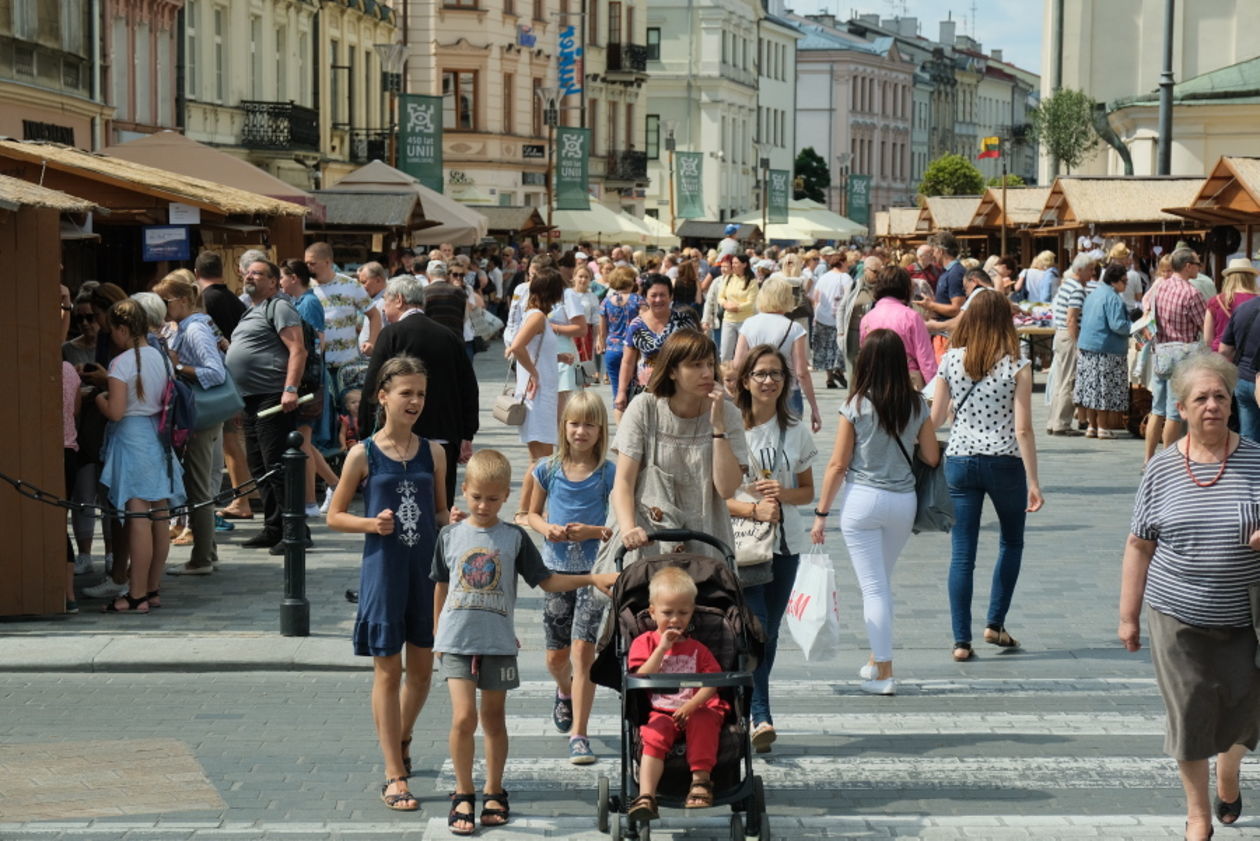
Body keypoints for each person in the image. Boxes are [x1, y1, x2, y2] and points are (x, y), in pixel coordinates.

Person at [432, 449, 617, 835]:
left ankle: (494, 789)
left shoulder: (514, 537)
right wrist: (437, 634)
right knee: (464, 717)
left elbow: (547, 580)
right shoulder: (449, 534)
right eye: (477, 496)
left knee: (493, 719)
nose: (484, 505)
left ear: (505, 498)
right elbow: (442, 585)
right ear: (464, 491)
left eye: (494, 498)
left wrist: (590, 579)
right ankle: (463, 792)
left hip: (498, 643)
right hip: (456, 642)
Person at [1119, 353, 1260, 841]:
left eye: (1221, 396)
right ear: (1181, 407)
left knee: (1248, 710)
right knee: (1190, 710)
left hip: (1246, 618)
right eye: (1201, 398)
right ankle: (1198, 813)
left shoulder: (1257, 460)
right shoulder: (1161, 469)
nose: (1213, 406)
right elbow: (1138, 545)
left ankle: (1230, 768)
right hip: (1175, 614)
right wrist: (1128, 617)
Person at [328, 355, 448, 813]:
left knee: (421, 671)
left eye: (420, 393)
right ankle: (394, 773)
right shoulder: (363, 453)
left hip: (426, 571)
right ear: (383, 396)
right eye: (406, 393)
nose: (415, 401)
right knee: (388, 671)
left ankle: (400, 736)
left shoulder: (433, 452)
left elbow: (438, 512)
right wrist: (369, 524)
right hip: (382, 569)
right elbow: (334, 515)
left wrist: (452, 518)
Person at [813, 329, 939, 694]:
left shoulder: (856, 404)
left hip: (862, 501)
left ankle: (884, 671)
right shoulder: (917, 404)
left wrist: (821, 514)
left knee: (874, 587)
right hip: (903, 502)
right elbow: (931, 457)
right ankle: (875, 660)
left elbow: (838, 464)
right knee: (880, 583)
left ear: (865, 362)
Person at [931, 292, 1044, 662]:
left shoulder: (949, 360)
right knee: (1011, 542)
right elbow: (1023, 428)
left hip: (960, 459)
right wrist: (1033, 480)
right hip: (1004, 460)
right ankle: (995, 623)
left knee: (962, 554)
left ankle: (960, 641)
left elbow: (934, 420)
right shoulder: (1017, 365)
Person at [601, 329, 747, 571]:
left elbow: (727, 488)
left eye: (710, 364)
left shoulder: (728, 413)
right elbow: (623, 483)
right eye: (695, 365)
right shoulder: (645, 409)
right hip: (649, 539)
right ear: (672, 371)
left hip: (706, 539)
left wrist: (718, 427)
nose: (707, 373)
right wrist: (628, 530)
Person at [729, 345, 816, 748]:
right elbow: (714, 493)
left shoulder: (795, 429)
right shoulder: (730, 427)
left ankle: (745, 707)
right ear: (746, 380)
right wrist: (752, 509)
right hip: (743, 542)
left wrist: (783, 493)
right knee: (756, 626)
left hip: (786, 542)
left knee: (772, 631)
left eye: (777, 374)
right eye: (761, 374)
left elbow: (807, 492)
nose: (769, 381)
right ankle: (759, 715)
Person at [525, 391, 616, 765]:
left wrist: (593, 532)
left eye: (589, 424)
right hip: (557, 573)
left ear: (600, 430)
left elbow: (618, 525)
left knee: (583, 652)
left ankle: (580, 733)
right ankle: (564, 692)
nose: (581, 431)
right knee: (554, 657)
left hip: (595, 574)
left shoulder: (608, 473)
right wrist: (547, 528)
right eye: (574, 423)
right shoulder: (547, 468)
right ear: (563, 427)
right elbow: (529, 514)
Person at [94, 300, 185, 613]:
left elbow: (117, 412)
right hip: (157, 437)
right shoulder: (161, 357)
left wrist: (99, 399)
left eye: (113, 331)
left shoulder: (121, 364)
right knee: (159, 515)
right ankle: (152, 587)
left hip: (132, 439)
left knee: (137, 518)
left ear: (122, 329)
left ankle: (136, 594)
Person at [359, 275, 478, 512]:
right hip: (444, 436)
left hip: (400, 440)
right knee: (439, 508)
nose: (384, 308)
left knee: (401, 509)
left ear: (399, 300)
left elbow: (373, 387)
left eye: (386, 301)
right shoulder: (449, 336)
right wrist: (467, 433)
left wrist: (364, 432)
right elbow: (469, 386)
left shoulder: (391, 334)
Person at [625, 566, 729, 821]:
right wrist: (662, 649)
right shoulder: (645, 643)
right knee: (652, 735)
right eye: (667, 613)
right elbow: (639, 676)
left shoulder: (698, 649)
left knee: (704, 721)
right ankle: (646, 795)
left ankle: (701, 782)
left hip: (698, 707)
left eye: (682, 613)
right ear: (652, 612)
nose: (675, 619)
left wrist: (692, 706)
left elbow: (712, 683)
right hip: (661, 711)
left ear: (692, 611)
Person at [224, 259, 309, 552]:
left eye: (257, 273)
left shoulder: (280, 307)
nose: (250, 276)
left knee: (276, 465)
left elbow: (298, 349)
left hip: (273, 396)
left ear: (273, 282)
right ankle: (274, 528)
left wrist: (290, 389)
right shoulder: (251, 310)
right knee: (259, 465)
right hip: (250, 399)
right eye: (247, 272)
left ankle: (295, 532)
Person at [153, 274, 228, 576]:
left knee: (198, 489)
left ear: (183, 300)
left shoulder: (195, 328)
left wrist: (177, 365)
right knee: (198, 488)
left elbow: (215, 372)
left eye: (166, 301)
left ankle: (201, 559)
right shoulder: (188, 326)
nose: (163, 307)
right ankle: (207, 552)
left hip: (201, 414)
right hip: (200, 414)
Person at [506, 267, 564, 518]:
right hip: (538, 395)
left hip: (539, 393)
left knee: (540, 458)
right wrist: (535, 373)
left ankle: (528, 511)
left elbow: (526, 347)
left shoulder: (537, 316)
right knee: (542, 459)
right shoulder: (537, 317)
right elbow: (516, 347)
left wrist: (556, 356)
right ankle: (528, 511)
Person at [732, 277, 822, 432]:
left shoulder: (749, 324)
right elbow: (801, 372)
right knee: (788, 446)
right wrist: (814, 408)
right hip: (787, 392)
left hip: (756, 389)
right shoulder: (794, 328)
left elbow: (738, 364)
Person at [1146, 248, 1209, 465]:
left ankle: (1148, 460)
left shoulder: (1158, 287)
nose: (1199, 267)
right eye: (1197, 263)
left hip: (1161, 351)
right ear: (1188, 266)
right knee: (1174, 412)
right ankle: (1167, 462)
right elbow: (1204, 326)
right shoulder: (1192, 293)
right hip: (1183, 354)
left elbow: (1146, 313)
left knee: (1157, 409)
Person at [614, 274, 699, 414]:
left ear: (671, 296)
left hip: (679, 391)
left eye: (663, 295)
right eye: (653, 295)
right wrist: (621, 392)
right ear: (646, 297)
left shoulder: (684, 321)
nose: (658, 299)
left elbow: (697, 354)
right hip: (646, 392)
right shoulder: (636, 325)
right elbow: (627, 362)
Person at [304, 242, 378, 389]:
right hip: (315, 365)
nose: (308, 268)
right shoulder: (305, 287)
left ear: (327, 262)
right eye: (306, 263)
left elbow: (374, 314)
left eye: (312, 263)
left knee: (347, 408)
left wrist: (372, 341)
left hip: (346, 365)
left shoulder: (350, 285)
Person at [1073, 264, 1133, 439]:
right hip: (1107, 349)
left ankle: (1092, 426)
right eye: (1124, 281)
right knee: (1104, 390)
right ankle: (1103, 427)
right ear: (1115, 281)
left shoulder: (1094, 294)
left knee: (1091, 389)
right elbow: (1118, 325)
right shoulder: (1113, 298)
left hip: (1088, 347)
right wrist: (1134, 326)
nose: (1126, 284)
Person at [860, 266, 938, 389]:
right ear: (905, 287)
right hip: (907, 380)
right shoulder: (911, 316)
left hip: (876, 380)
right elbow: (925, 359)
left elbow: (865, 355)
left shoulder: (867, 318)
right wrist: (934, 389)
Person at [1046, 254, 1095, 436]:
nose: (1092, 273)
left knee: (1060, 380)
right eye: (1090, 269)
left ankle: (1054, 421)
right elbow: (1072, 319)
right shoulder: (1077, 289)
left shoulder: (1066, 285)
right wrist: (1078, 343)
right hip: (1069, 336)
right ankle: (1062, 423)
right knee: (1069, 380)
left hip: (1060, 334)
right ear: (1080, 270)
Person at [598, 266, 643, 415]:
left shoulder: (605, 301)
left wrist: (602, 343)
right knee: (633, 393)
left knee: (618, 394)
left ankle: (620, 432)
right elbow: (646, 323)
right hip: (632, 351)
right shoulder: (637, 300)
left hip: (612, 349)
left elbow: (602, 330)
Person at [810, 253, 854, 389]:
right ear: (841, 262)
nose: (848, 265)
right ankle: (838, 371)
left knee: (825, 348)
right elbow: (849, 297)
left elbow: (815, 297)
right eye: (846, 262)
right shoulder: (845, 278)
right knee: (837, 347)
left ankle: (830, 378)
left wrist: (817, 313)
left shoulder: (824, 277)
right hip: (837, 318)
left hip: (822, 316)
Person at [1204, 258, 1258, 353]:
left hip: (1221, 358)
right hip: (1250, 358)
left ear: (1228, 279)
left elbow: (1208, 340)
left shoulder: (1216, 301)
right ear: (1251, 278)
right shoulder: (1257, 301)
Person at [716, 254, 758, 362]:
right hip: (728, 320)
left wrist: (737, 307)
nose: (733, 265)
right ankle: (725, 377)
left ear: (744, 264)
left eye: (736, 263)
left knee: (743, 354)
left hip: (745, 321)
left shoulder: (752, 281)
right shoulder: (728, 278)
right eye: (732, 263)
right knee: (725, 353)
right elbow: (720, 296)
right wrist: (725, 304)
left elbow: (751, 302)